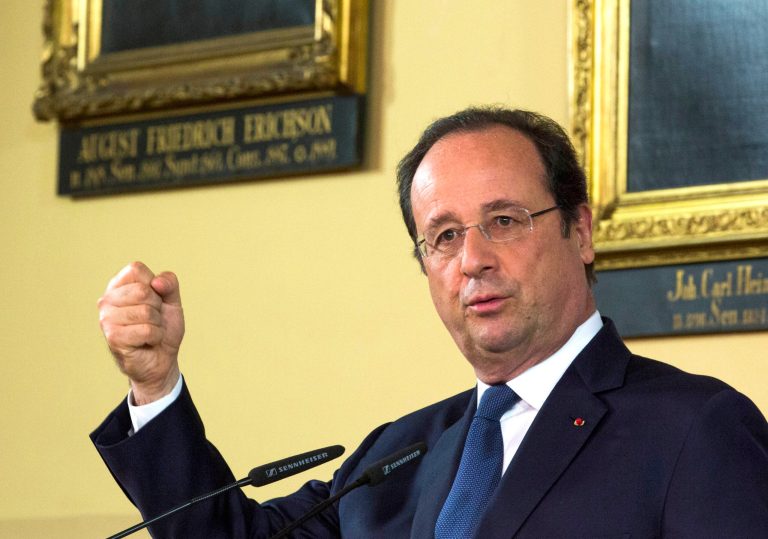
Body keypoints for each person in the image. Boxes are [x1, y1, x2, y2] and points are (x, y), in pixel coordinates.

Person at [93, 107, 768, 538]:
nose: (472, 259)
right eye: (443, 236)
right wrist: (156, 382)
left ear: (581, 231)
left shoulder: (695, 429)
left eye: (503, 220)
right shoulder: (396, 454)